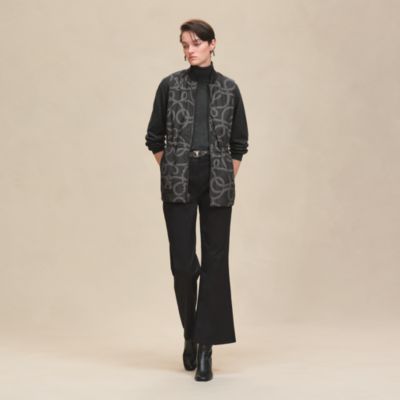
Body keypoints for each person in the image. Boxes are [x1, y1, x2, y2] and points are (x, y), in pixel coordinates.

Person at [145, 19, 249, 381]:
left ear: (212, 44)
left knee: (216, 263)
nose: (189, 50)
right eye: (185, 44)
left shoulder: (229, 88)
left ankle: (205, 346)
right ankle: (190, 331)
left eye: (196, 43)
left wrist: (222, 174)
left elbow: (239, 143)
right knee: (183, 264)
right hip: (179, 179)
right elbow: (154, 137)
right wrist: (173, 167)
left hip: (216, 180)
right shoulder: (170, 85)